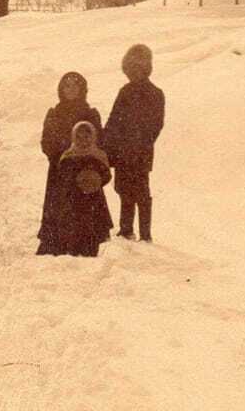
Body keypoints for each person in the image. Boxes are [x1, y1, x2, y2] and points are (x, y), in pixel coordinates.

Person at [37, 72, 109, 255]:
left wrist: (81, 154)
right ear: (60, 89)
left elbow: (99, 140)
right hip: (59, 171)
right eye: (66, 86)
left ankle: (83, 245)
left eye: (74, 86)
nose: (70, 90)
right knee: (60, 210)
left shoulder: (90, 114)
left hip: (85, 171)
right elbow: (46, 142)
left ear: (82, 89)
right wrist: (62, 155)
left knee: (84, 212)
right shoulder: (54, 113)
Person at [102, 44, 165, 243]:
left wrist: (139, 143)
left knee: (142, 192)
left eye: (137, 68)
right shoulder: (125, 91)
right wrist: (106, 142)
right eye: (129, 69)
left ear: (146, 69)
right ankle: (126, 229)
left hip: (140, 152)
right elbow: (113, 120)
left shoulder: (155, 93)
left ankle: (146, 234)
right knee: (123, 189)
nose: (133, 73)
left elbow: (156, 125)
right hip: (121, 152)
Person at [39, 120, 112, 257]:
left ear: (93, 137)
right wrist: (76, 180)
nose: (83, 140)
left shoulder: (98, 154)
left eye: (87, 137)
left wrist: (94, 180)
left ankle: (90, 250)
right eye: (79, 137)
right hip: (73, 199)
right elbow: (63, 175)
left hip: (93, 199)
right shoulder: (68, 155)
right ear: (73, 137)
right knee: (74, 225)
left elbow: (106, 175)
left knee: (91, 227)